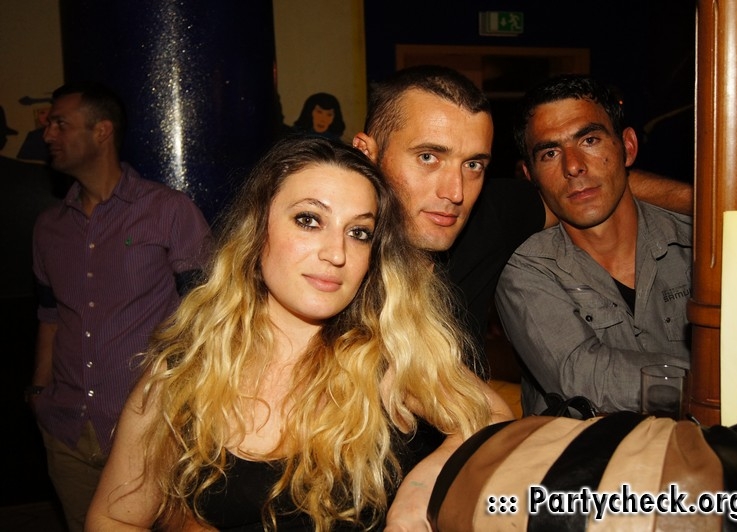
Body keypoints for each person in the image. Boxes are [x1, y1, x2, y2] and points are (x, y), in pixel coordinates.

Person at [86, 136, 512, 531]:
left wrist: (420, 492)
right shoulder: (184, 372)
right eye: (309, 220)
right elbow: (114, 518)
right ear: (258, 229)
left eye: (358, 233)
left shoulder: (387, 359)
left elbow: (492, 420)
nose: (336, 253)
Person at [353, 65, 693, 379]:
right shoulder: (334, 262)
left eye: (473, 165)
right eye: (428, 157)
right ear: (366, 154)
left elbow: (582, 186)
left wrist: (711, 205)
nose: (455, 192)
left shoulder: (488, 217)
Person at [29, 82, 211, 532]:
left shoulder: (167, 210)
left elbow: (208, 314)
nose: (48, 134)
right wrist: (39, 392)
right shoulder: (49, 227)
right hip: (68, 431)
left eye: (60, 123)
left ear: (102, 131)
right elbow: (50, 316)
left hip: (153, 433)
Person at [495, 74, 692, 415]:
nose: (573, 166)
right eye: (550, 153)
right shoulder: (525, 264)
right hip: (584, 447)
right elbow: (581, 376)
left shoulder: (694, 244)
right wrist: (715, 383)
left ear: (627, 147)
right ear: (530, 175)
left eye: (589, 140)